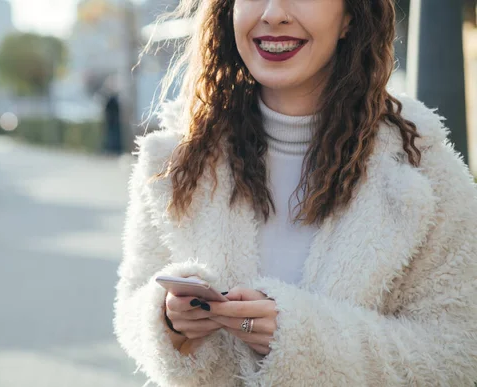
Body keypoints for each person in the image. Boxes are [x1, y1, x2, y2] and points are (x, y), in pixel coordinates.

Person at [114, 0, 477, 386]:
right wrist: (169, 320)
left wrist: (302, 340)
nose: (273, 13)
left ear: (350, 16)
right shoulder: (174, 158)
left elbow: (460, 350)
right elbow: (132, 310)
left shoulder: (422, 167)